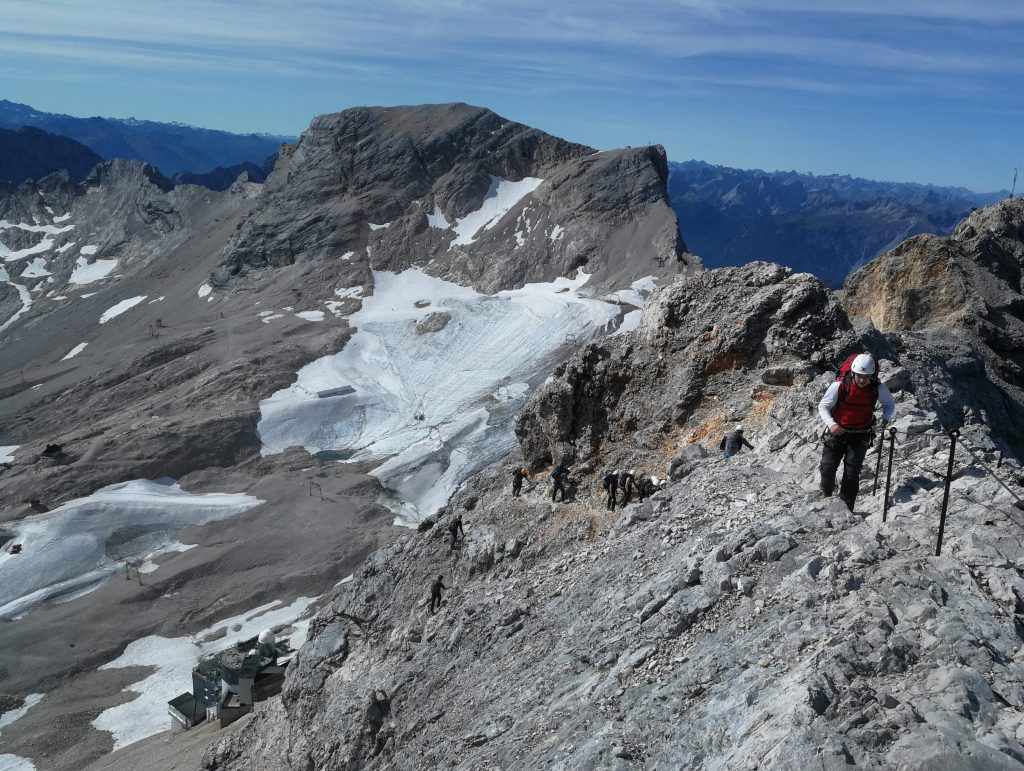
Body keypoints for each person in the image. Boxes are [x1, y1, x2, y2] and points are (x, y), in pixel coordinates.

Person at [818, 353, 896, 511]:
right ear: (853, 373)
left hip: (861, 434)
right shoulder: (839, 386)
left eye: (866, 377)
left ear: (871, 376)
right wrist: (832, 425)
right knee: (827, 467)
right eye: (859, 376)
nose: (862, 380)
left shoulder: (877, 388)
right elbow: (823, 406)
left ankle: (847, 509)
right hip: (837, 432)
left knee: (852, 474)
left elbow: (889, 404)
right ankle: (826, 497)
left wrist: (885, 419)